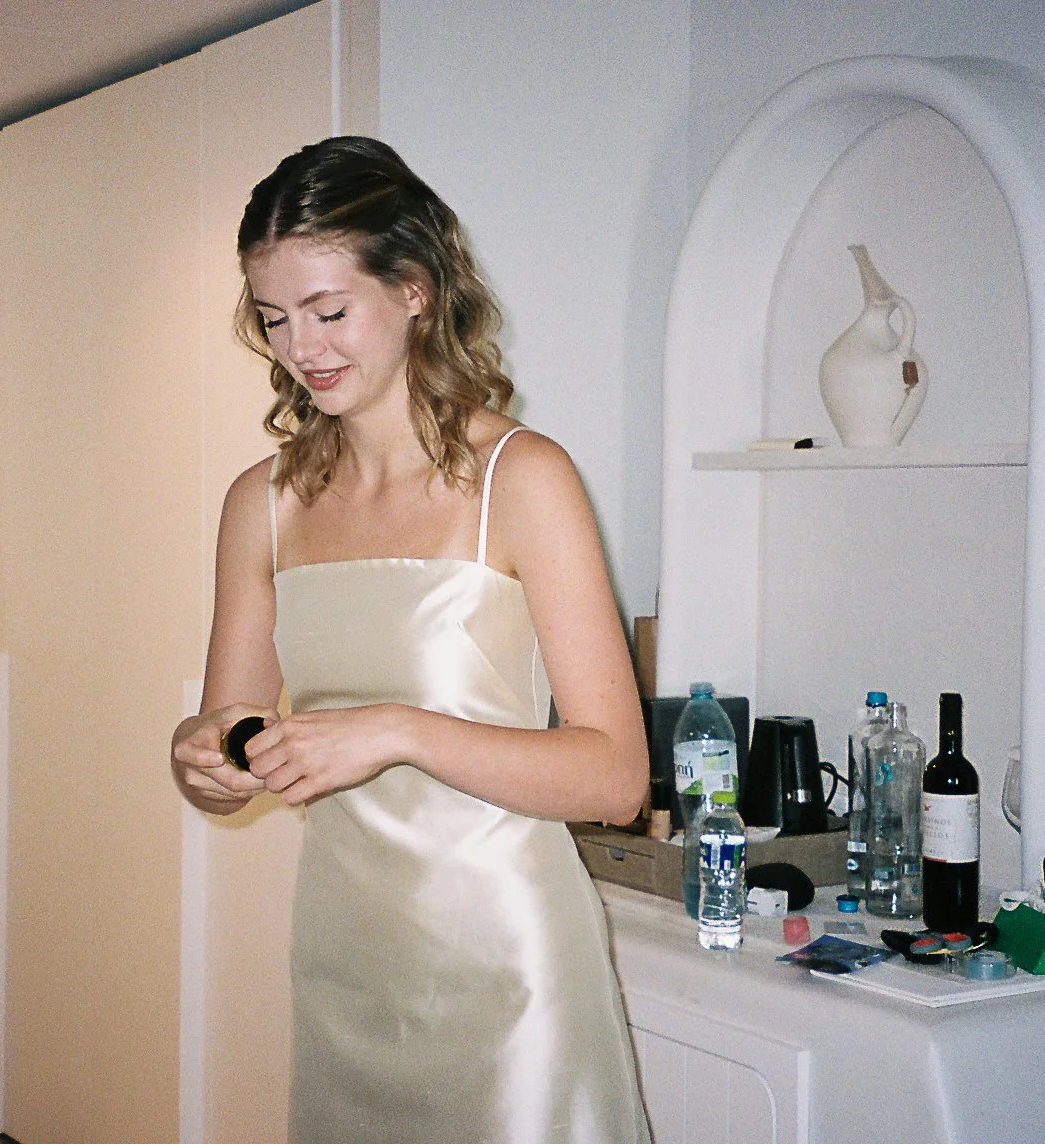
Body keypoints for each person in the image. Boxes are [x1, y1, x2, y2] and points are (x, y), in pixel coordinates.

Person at [170, 135, 652, 1143]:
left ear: (416, 291)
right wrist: (205, 756)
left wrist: (396, 728)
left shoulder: (524, 479)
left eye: (328, 310)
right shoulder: (259, 503)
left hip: (507, 971)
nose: (300, 348)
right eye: (273, 319)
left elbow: (614, 778)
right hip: (345, 962)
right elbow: (233, 731)